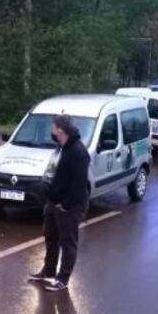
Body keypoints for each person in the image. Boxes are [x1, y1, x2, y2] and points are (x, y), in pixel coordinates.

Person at [29, 114, 91, 292]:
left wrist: (66, 204)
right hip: (53, 202)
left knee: (68, 242)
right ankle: (48, 271)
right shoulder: (61, 147)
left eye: (53, 128)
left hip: (68, 207)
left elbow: (80, 184)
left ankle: (62, 278)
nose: (51, 131)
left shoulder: (78, 152)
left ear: (60, 131)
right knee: (51, 237)